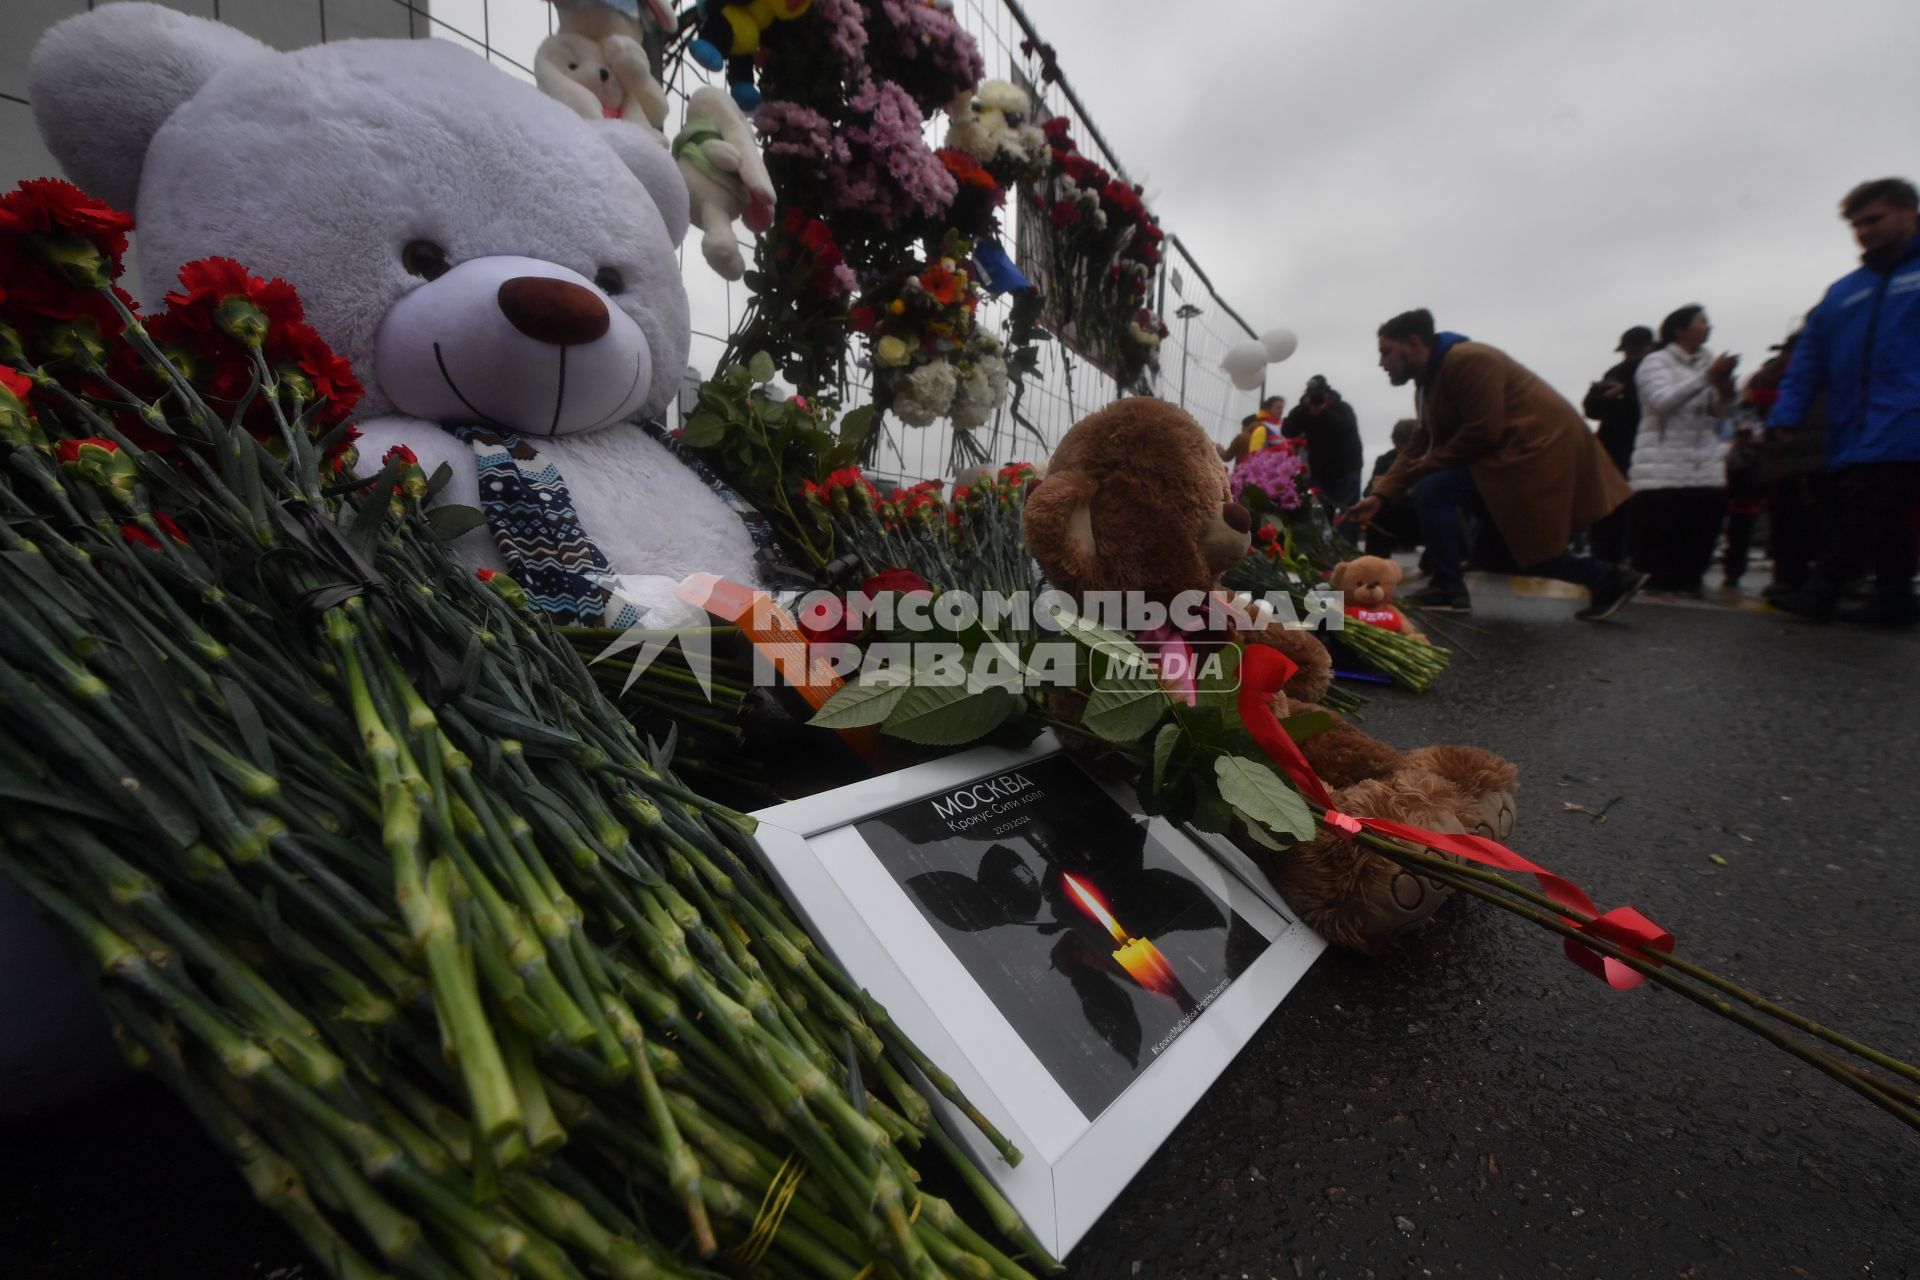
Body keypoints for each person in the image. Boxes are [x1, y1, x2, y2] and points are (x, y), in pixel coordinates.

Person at [1349, 309, 1643, 620]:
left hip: (1533, 455)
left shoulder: (1469, 359)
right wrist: (1380, 497)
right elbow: (1418, 445)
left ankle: (1449, 589)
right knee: (1498, 555)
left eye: (1386, 352)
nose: (1382, 362)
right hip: (1504, 463)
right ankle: (1609, 578)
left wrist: (1428, 465)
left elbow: (1483, 430)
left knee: (1431, 491)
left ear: (1413, 343)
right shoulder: (1426, 387)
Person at [1768, 177, 1920, 625]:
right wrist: (1787, 413)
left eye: (1874, 219)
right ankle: (1893, 597)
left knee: (1862, 504)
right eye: (1857, 225)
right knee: (1887, 513)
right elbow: (1808, 360)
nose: (1864, 231)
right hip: (1855, 422)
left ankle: (1825, 590)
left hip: (1906, 416)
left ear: (1909, 212)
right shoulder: (1842, 293)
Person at [1628, 305, 1737, 596]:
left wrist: (1725, 386)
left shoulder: (1707, 362)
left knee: (1701, 532)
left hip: (1704, 464)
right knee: (1659, 537)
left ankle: (1690, 581)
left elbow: (1723, 412)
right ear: (1680, 329)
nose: (1708, 327)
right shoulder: (1656, 362)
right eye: (1702, 322)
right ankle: (1654, 586)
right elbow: (1661, 402)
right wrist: (1707, 377)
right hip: (1662, 466)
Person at [1581, 325, 1655, 562]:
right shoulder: (1616, 371)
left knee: (1641, 510)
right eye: (1628, 351)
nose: (1631, 356)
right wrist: (1603, 397)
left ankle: (1636, 555)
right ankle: (1605, 556)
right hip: (1613, 448)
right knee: (1609, 506)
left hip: (1647, 447)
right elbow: (1591, 409)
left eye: (1636, 350)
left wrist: (1626, 393)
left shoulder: (1658, 371)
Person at [1281, 375, 1364, 508]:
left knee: (1346, 515)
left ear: (1328, 394)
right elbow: (1287, 431)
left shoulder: (1342, 408)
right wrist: (1302, 408)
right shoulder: (1305, 411)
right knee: (1320, 516)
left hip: (1346, 472)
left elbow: (1347, 429)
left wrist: (1323, 412)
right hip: (1320, 475)